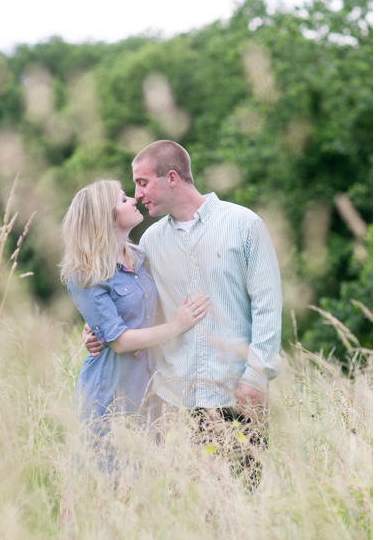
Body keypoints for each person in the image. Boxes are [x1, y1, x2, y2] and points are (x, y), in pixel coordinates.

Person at [85, 140, 283, 421]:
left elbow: (268, 306)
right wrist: (97, 326)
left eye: (143, 183)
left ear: (172, 178)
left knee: (244, 467)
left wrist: (256, 376)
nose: (137, 194)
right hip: (174, 400)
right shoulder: (150, 241)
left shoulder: (244, 225)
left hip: (237, 394)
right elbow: (135, 296)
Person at [60, 179, 210, 424]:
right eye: (123, 200)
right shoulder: (84, 274)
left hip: (154, 388)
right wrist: (176, 326)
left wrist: (96, 328)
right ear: (106, 218)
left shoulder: (141, 256)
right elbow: (119, 342)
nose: (133, 199)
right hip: (112, 392)